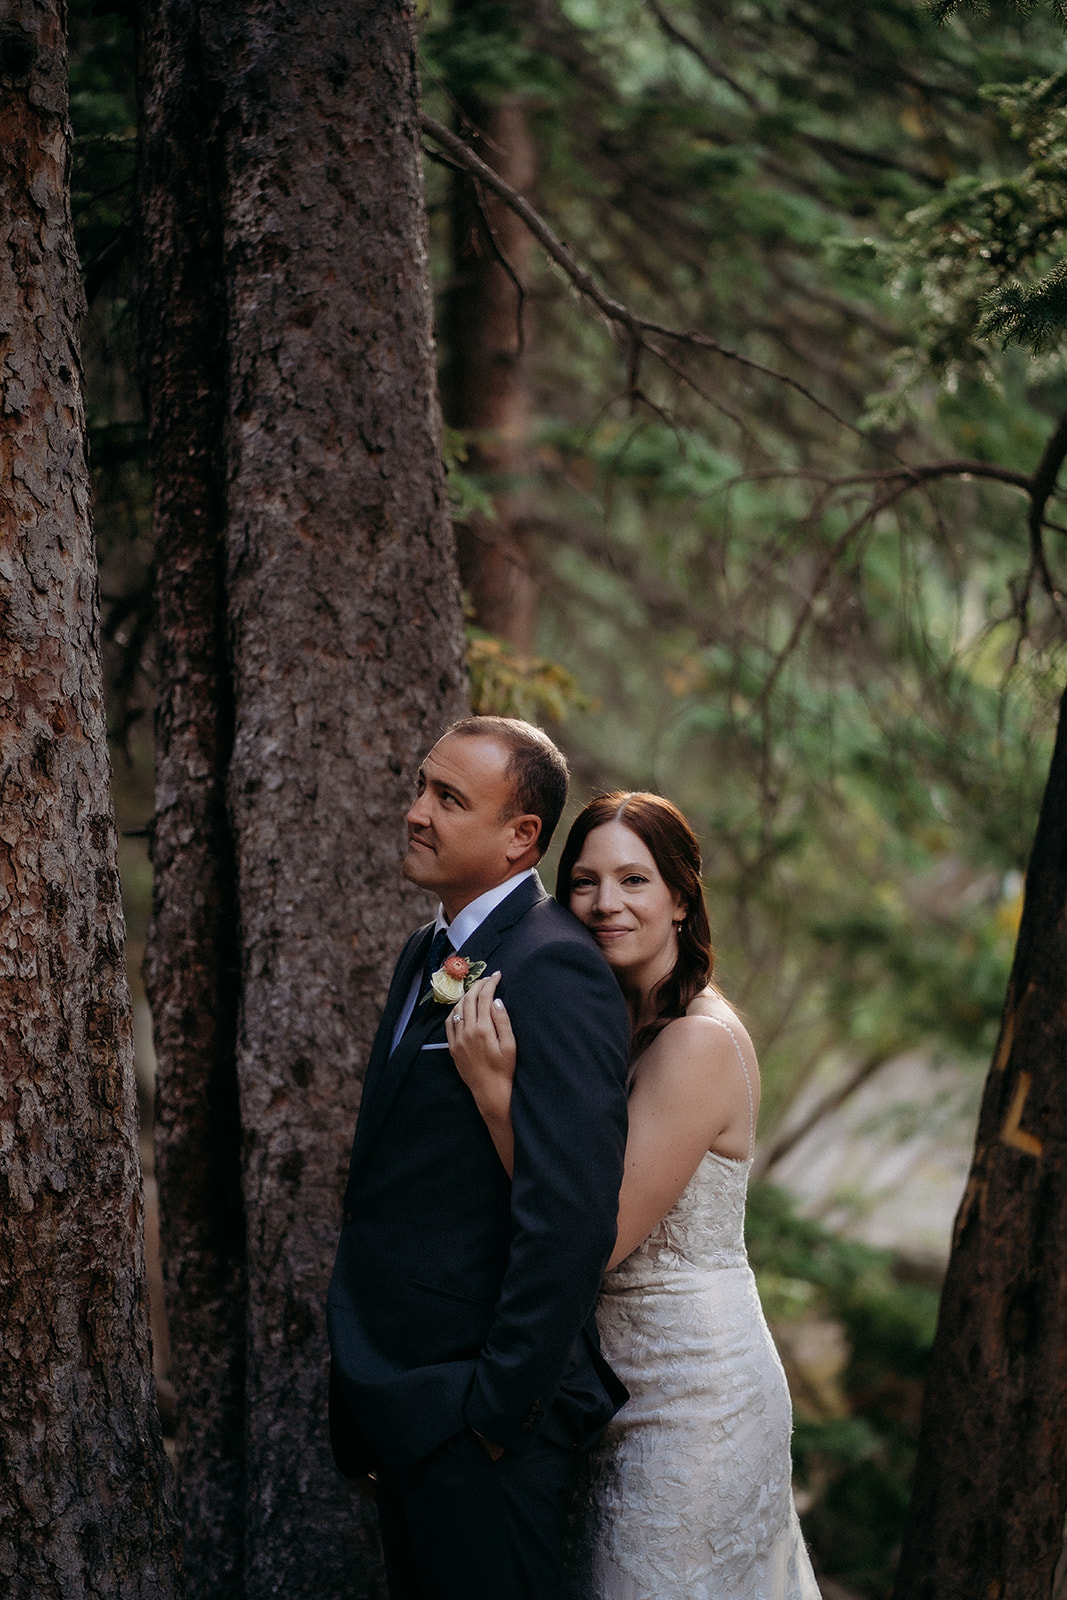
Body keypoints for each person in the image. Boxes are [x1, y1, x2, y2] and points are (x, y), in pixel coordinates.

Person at [448, 791, 821, 1600]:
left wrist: (495, 1098)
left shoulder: (696, 1042)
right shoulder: (615, 1027)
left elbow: (601, 1234)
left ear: (681, 899)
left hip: (692, 1400)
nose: (603, 904)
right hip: (605, 1391)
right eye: (583, 882)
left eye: (633, 880)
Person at [326, 718, 631, 1600]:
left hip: (476, 1422)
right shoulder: (434, 952)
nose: (416, 812)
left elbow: (572, 1218)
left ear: (519, 836)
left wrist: (496, 1415)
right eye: (422, 787)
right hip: (403, 1404)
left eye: (449, 799)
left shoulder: (555, 966)